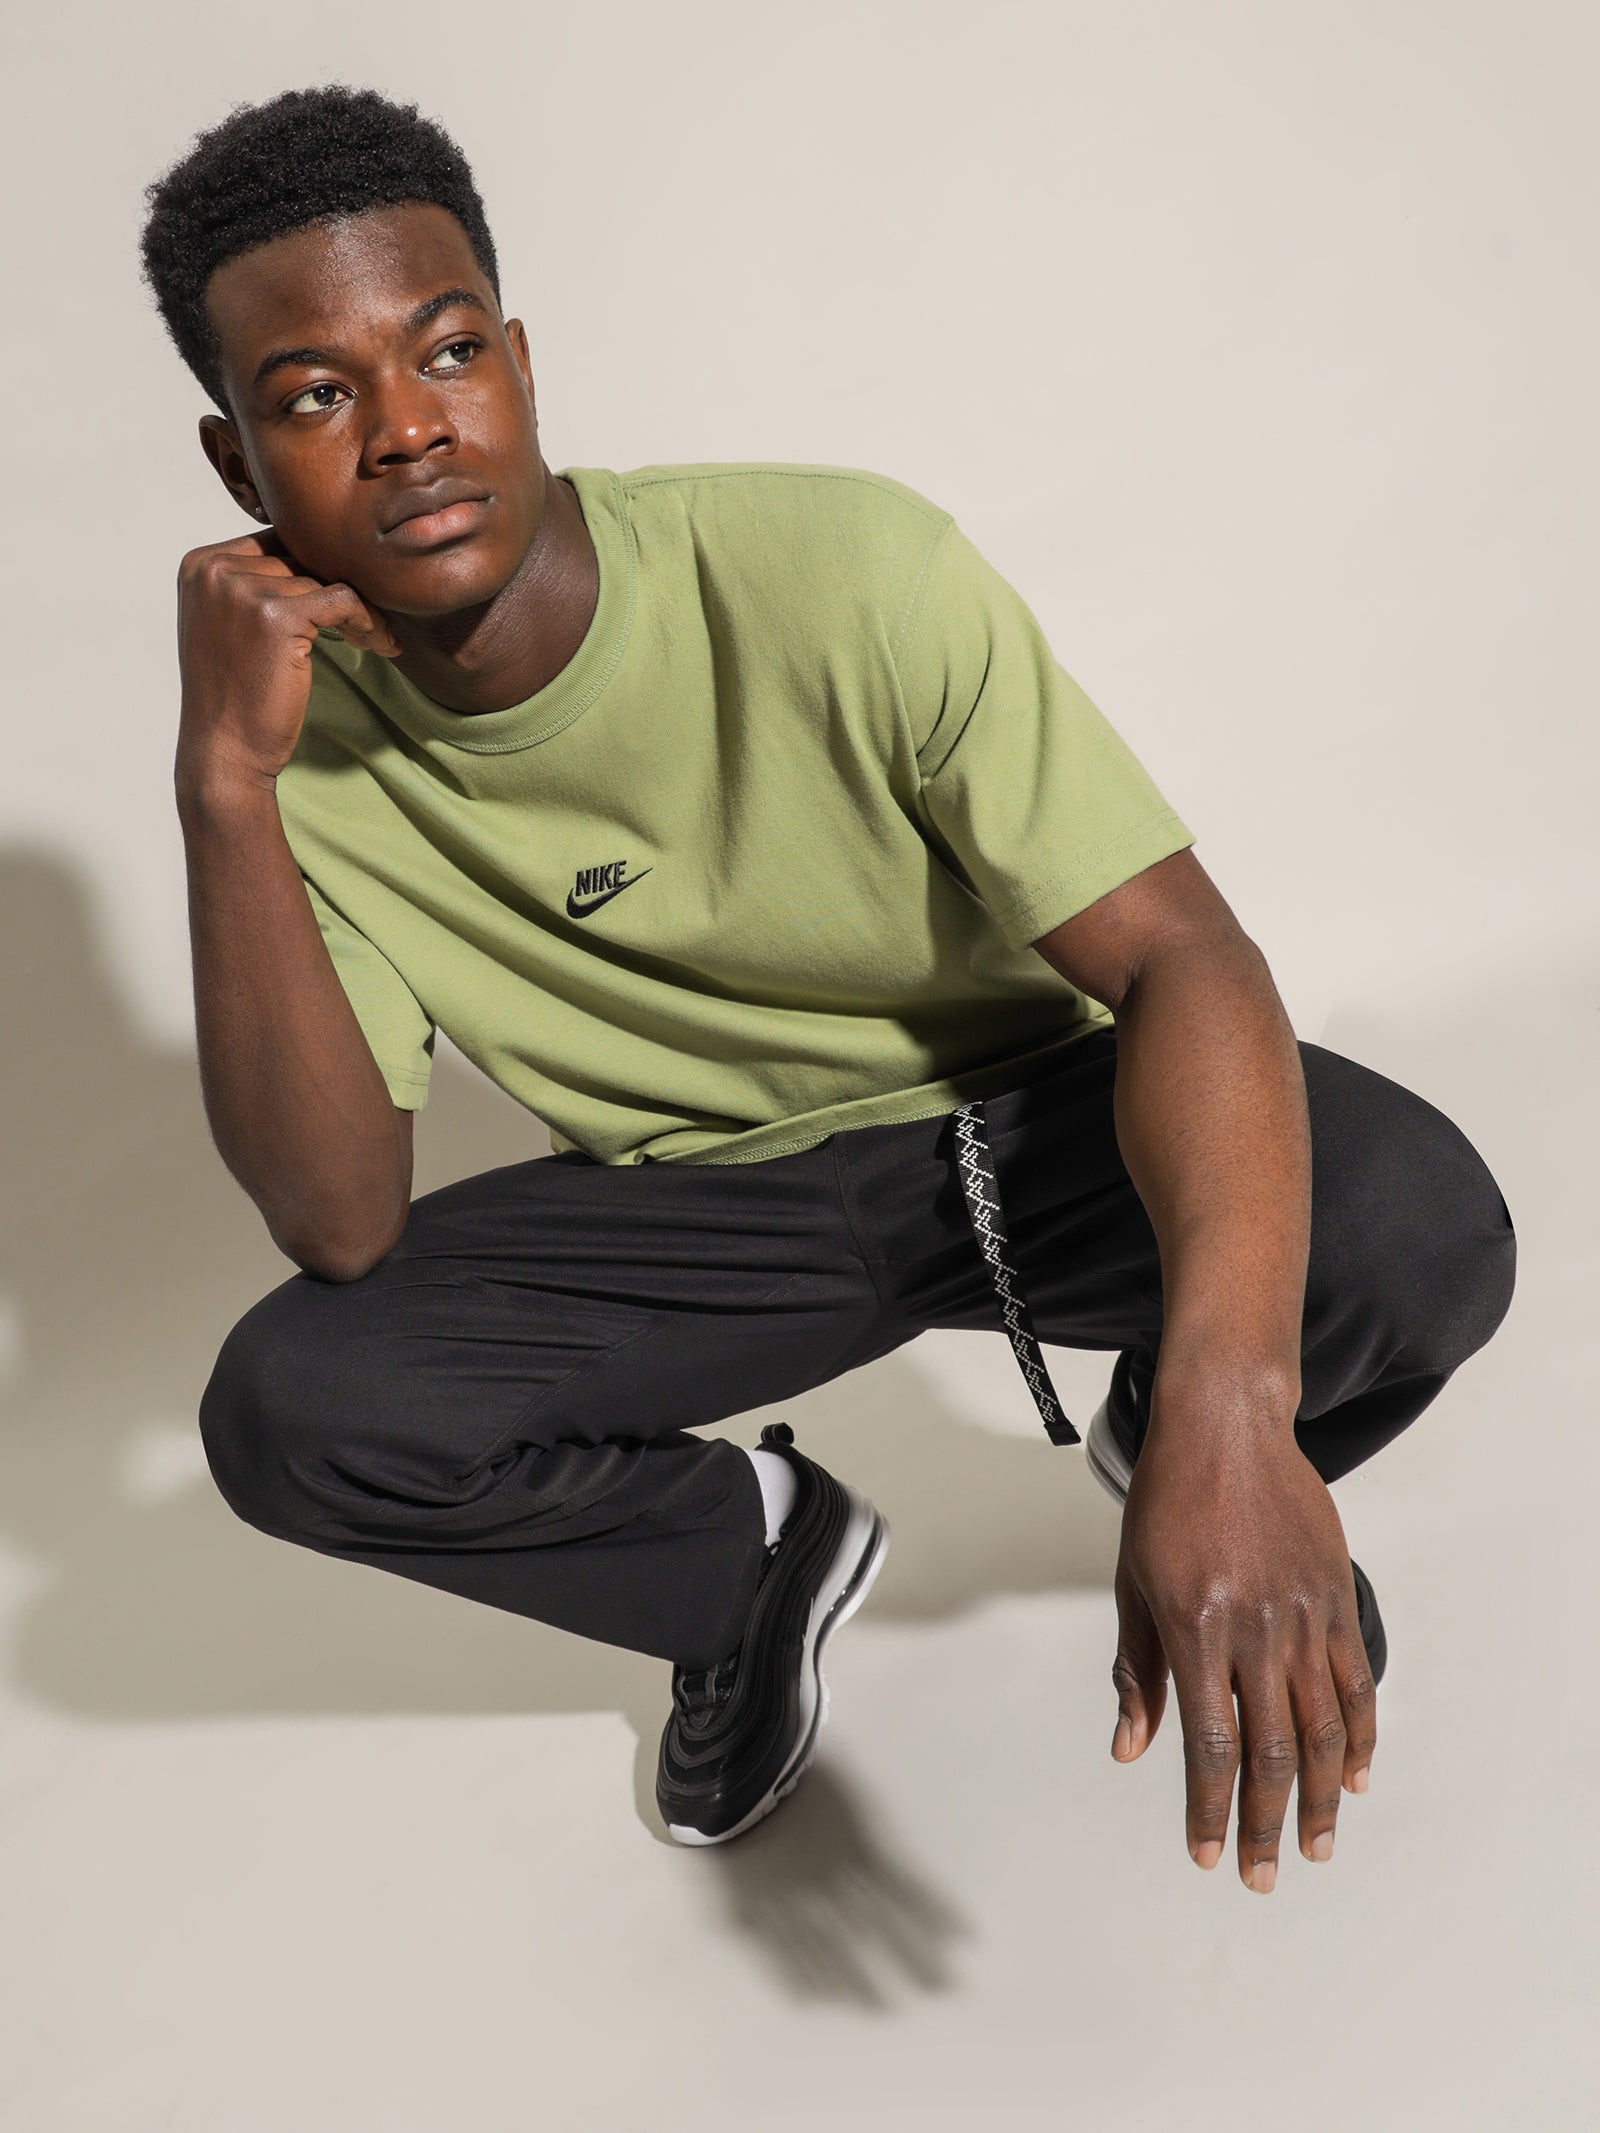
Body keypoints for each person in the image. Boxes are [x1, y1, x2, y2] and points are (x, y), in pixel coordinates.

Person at [138, 84, 1515, 1888]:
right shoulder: (286, 750)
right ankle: (749, 1565)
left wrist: (1234, 1410)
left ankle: (1169, 1415)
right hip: (701, 1205)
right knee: (295, 1405)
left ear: (522, 364)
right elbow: (337, 1217)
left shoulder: (840, 566)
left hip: (1025, 1129)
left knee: (1417, 1224)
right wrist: (223, 786)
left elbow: (1183, 954)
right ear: (238, 467)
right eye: (317, 395)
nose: (408, 427)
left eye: (449, 350)